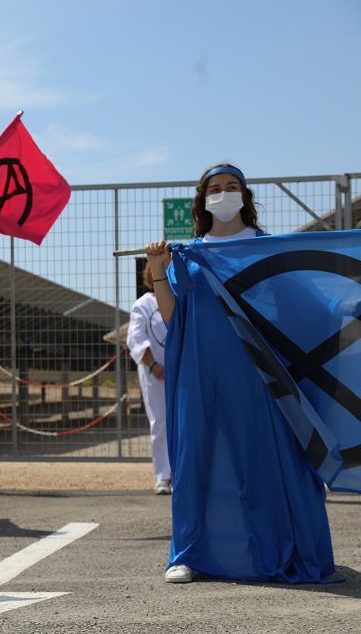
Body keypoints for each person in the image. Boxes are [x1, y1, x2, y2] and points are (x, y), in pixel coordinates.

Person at [145, 163, 335, 585]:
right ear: (203, 198)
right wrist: (159, 267)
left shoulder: (267, 249)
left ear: (245, 197)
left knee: (264, 455)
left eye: (233, 187)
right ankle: (189, 552)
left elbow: (305, 308)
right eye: (216, 188)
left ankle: (280, 546)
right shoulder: (189, 253)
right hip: (201, 367)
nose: (225, 194)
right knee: (197, 455)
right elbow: (175, 316)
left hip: (260, 371)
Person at [126, 263, 171, 495]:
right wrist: (153, 365)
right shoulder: (143, 304)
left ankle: (185, 473)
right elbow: (135, 338)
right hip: (154, 375)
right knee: (160, 423)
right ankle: (163, 476)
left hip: (181, 374)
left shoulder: (180, 299)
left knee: (186, 423)